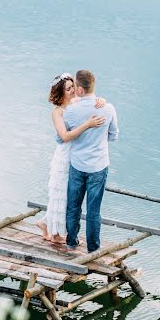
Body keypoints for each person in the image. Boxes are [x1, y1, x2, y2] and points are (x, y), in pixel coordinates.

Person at [37, 73, 107, 243]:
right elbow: (65, 136)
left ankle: (48, 224)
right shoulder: (57, 112)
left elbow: (91, 102)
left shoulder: (77, 104)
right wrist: (87, 124)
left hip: (78, 154)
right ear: (61, 93)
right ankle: (55, 232)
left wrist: (101, 101)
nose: (73, 90)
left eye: (73, 87)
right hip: (65, 154)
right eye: (68, 89)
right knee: (61, 193)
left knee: (69, 195)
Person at [63, 70, 118, 252]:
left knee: (73, 206)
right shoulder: (108, 108)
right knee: (93, 210)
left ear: (79, 89)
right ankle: (93, 249)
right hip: (98, 165)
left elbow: (63, 137)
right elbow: (113, 135)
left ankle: (71, 242)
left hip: (77, 164)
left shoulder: (70, 111)